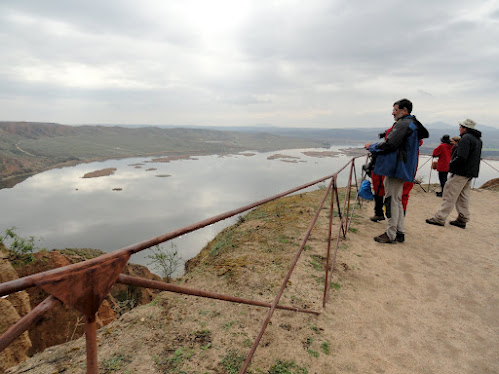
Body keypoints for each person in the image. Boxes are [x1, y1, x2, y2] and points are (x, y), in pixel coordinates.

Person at [364, 98, 429, 244]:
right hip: (402, 168)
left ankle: (390, 234)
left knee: (391, 200)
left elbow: (390, 144)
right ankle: (400, 232)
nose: (393, 113)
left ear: (404, 110)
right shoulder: (412, 124)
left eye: (395, 110)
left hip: (396, 168)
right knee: (397, 200)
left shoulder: (404, 124)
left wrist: (371, 146)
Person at [426, 119, 482, 229]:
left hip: (461, 172)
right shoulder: (477, 139)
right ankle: (462, 219)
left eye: (460, 127)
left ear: (465, 128)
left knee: (449, 193)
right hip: (470, 172)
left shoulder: (466, 138)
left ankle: (440, 218)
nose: (459, 129)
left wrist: (451, 165)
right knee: (463, 196)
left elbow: (461, 157)